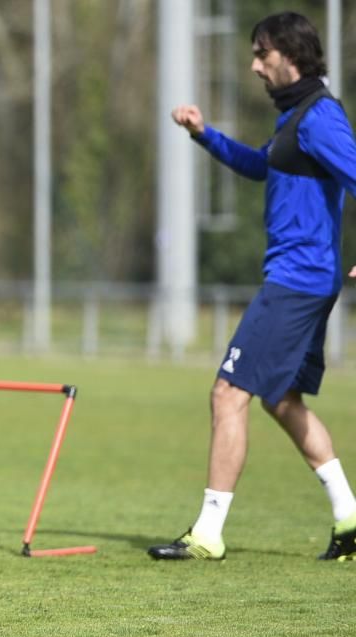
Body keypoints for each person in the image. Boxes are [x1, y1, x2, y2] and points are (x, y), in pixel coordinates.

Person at [149, 11, 356, 562]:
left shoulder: (319, 118)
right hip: (305, 280)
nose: (254, 65)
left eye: (262, 54)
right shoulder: (295, 121)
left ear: (291, 55)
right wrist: (204, 135)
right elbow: (262, 165)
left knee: (228, 392)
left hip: (297, 281)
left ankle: (208, 533)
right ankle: (349, 516)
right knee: (280, 401)